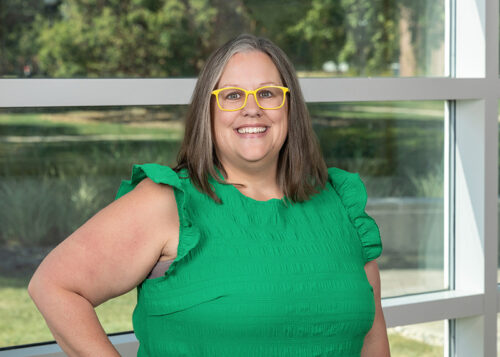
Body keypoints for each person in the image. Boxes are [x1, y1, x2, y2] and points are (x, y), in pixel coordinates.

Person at [28, 34, 390, 356]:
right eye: (232, 95)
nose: (252, 107)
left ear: (290, 107)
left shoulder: (340, 201)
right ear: (208, 110)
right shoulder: (168, 201)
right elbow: (55, 286)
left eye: (268, 93)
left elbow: (373, 340)